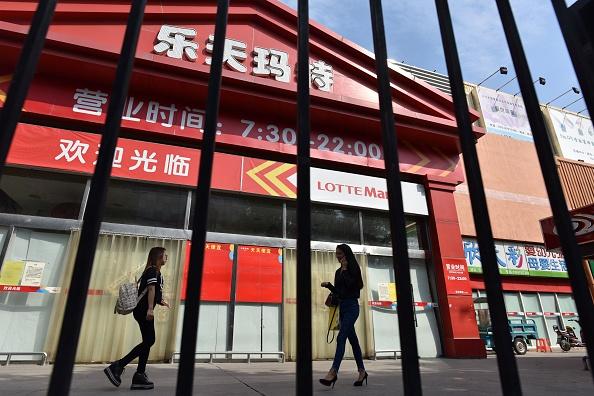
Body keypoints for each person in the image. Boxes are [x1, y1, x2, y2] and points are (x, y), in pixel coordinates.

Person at [104, 247, 170, 390]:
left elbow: (151, 290)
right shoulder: (152, 270)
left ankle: (139, 375)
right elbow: (151, 289)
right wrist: (151, 309)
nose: (167, 257)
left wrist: (161, 301)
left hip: (142, 310)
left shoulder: (154, 271)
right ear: (158, 256)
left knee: (147, 341)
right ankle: (119, 365)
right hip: (144, 310)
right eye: (165, 255)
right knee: (150, 340)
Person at [320, 244, 368, 388]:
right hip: (342, 308)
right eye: (337, 253)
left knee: (341, 337)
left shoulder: (353, 269)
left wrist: (346, 270)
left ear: (347, 254)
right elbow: (340, 293)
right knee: (353, 340)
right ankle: (362, 372)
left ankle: (333, 372)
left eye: (340, 253)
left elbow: (355, 288)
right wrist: (329, 286)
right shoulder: (337, 272)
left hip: (352, 307)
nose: (338, 256)